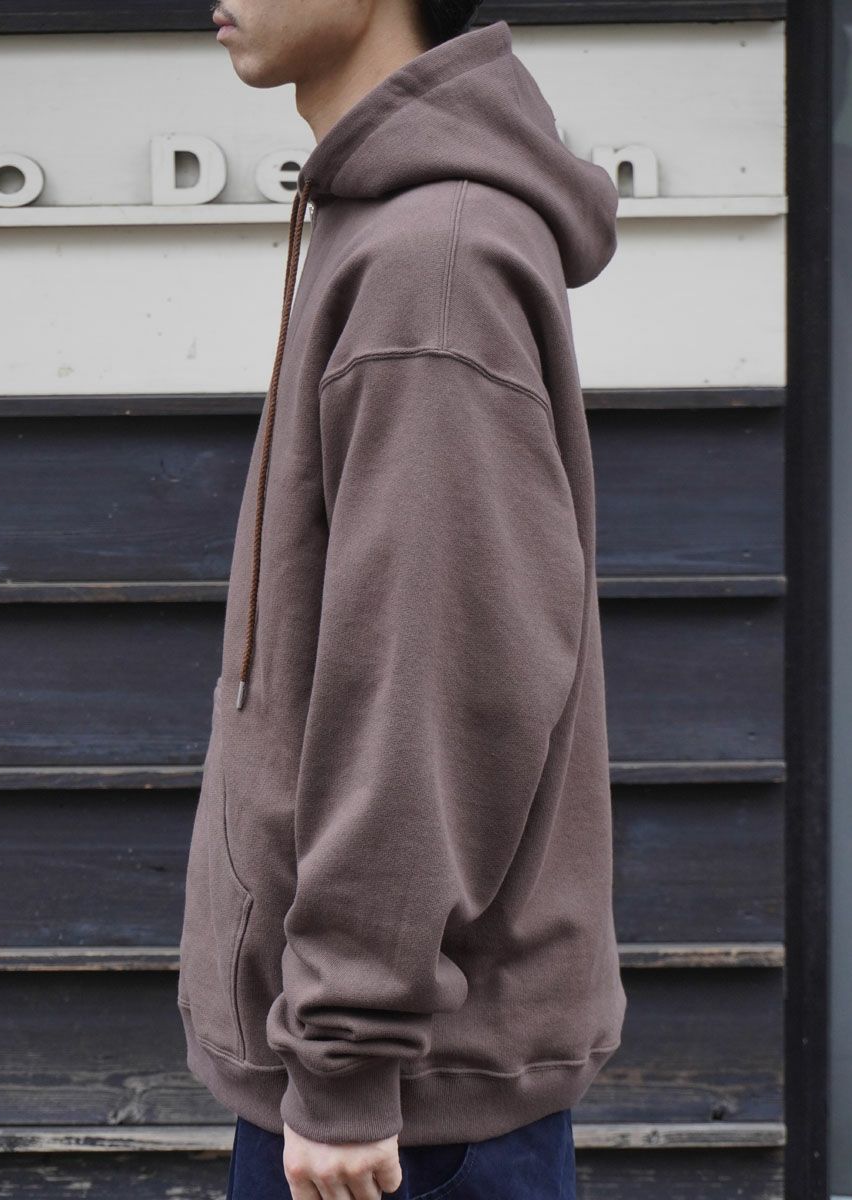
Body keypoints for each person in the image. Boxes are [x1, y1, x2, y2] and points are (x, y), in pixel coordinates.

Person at [177, 1, 627, 1197]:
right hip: (376, 1087)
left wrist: (349, 1053)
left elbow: (434, 683)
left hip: (392, 1116)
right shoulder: (388, 224)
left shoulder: (434, 259)